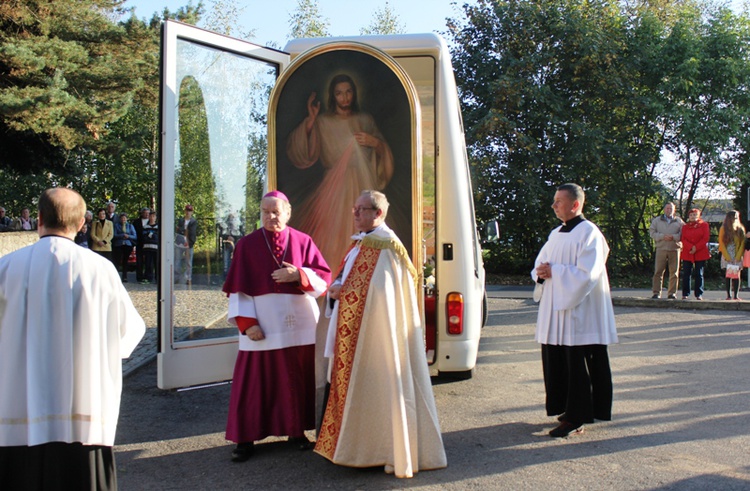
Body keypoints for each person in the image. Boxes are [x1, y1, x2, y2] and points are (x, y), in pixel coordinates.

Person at [0, 187, 145, 490]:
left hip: (18, 409)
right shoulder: (101, 270)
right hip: (85, 410)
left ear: (38, 219)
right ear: (81, 225)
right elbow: (129, 332)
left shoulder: (6, 268)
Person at [316, 190, 447, 478]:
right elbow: (349, 284)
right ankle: (352, 446)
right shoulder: (361, 244)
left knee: (380, 389)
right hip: (357, 333)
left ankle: (381, 450)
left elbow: (379, 295)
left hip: (376, 338)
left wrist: (341, 291)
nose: (355, 214)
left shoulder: (385, 246)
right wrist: (337, 292)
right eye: (354, 208)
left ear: (378, 213)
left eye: (361, 209)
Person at [222, 191, 331, 462]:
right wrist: (247, 325)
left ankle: (296, 431)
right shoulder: (247, 245)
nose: (270, 217)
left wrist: (300, 275)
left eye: (276, 212)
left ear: (288, 212)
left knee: (295, 381)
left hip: (299, 327)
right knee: (253, 382)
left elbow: (323, 280)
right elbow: (238, 290)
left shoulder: (303, 241)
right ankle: (245, 439)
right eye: (265, 212)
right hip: (263, 325)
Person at [531, 183, 618, 438]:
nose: (554, 205)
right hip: (556, 311)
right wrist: (542, 271)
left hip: (579, 313)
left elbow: (587, 274)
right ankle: (565, 409)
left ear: (575, 204)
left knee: (576, 363)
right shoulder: (556, 233)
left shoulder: (590, 233)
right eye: (554, 200)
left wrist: (554, 272)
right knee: (559, 361)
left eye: (559, 201)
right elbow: (540, 262)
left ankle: (577, 416)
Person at [286, 74, 394, 267]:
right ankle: (333, 285)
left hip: (363, 186)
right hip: (333, 189)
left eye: (348, 92)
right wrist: (311, 120)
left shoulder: (365, 119)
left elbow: (383, 153)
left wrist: (375, 142)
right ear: (332, 96)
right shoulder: (323, 121)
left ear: (354, 92)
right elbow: (302, 153)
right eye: (339, 93)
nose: (344, 98)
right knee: (332, 238)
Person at [649, 202, 684, 299]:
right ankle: (656, 292)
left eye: (671, 208)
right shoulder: (657, 220)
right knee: (658, 271)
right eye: (667, 208)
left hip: (675, 248)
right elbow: (652, 232)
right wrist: (662, 237)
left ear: (674, 210)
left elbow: (683, 234)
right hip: (661, 248)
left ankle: (672, 293)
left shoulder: (679, 221)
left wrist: (673, 237)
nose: (669, 210)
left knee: (674, 272)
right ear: (664, 209)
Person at [680, 209, 710, 300]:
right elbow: (683, 238)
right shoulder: (685, 227)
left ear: (699, 216)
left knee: (699, 273)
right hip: (688, 252)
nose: (693, 216)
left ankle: (699, 294)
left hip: (700, 252)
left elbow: (705, 238)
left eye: (695, 215)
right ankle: (685, 293)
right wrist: (690, 247)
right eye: (691, 215)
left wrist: (696, 247)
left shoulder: (704, 225)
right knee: (686, 273)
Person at [718, 210, 746, 301]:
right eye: (733, 217)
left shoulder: (740, 228)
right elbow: (721, 243)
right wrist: (727, 257)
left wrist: (738, 257)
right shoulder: (723, 228)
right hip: (727, 255)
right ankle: (728, 295)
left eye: (736, 217)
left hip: (737, 254)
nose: (735, 219)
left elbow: (742, 244)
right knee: (728, 275)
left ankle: (736, 295)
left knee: (736, 275)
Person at [175, 204, 197, 285]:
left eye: (190, 211)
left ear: (192, 212)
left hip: (189, 243)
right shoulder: (181, 220)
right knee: (177, 261)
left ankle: (188, 278)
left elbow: (192, 232)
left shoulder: (193, 221)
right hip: (179, 243)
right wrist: (184, 230)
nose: (188, 212)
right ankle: (177, 277)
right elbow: (177, 230)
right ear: (185, 211)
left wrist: (182, 230)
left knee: (188, 262)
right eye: (187, 210)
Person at [113, 212, 136, 282]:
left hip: (127, 244)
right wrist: (122, 235)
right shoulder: (116, 225)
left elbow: (135, 236)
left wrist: (128, 236)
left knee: (125, 262)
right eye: (122, 218)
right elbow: (114, 235)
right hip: (118, 244)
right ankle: (116, 277)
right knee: (117, 261)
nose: (123, 219)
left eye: (125, 218)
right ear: (120, 219)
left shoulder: (130, 226)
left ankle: (124, 277)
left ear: (126, 219)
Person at [132, 207, 151, 283]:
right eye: (145, 213)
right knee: (139, 261)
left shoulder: (152, 221)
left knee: (148, 261)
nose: (146, 214)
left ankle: (148, 277)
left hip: (149, 244)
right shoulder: (136, 222)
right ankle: (139, 277)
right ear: (142, 213)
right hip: (139, 243)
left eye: (148, 213)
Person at [142, 211, 159, 283]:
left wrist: (150, 235)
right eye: (150, 216)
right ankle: (148, 278)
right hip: (147, 248)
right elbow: (144, 237)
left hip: (156, 248)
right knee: (148, 263)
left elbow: (157, 238)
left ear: (155, 218)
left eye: (153, 216)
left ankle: (158, 278)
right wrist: (151, 235)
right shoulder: (145, 227)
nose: (152, 218)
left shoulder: (158, 227)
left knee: (157, 264)